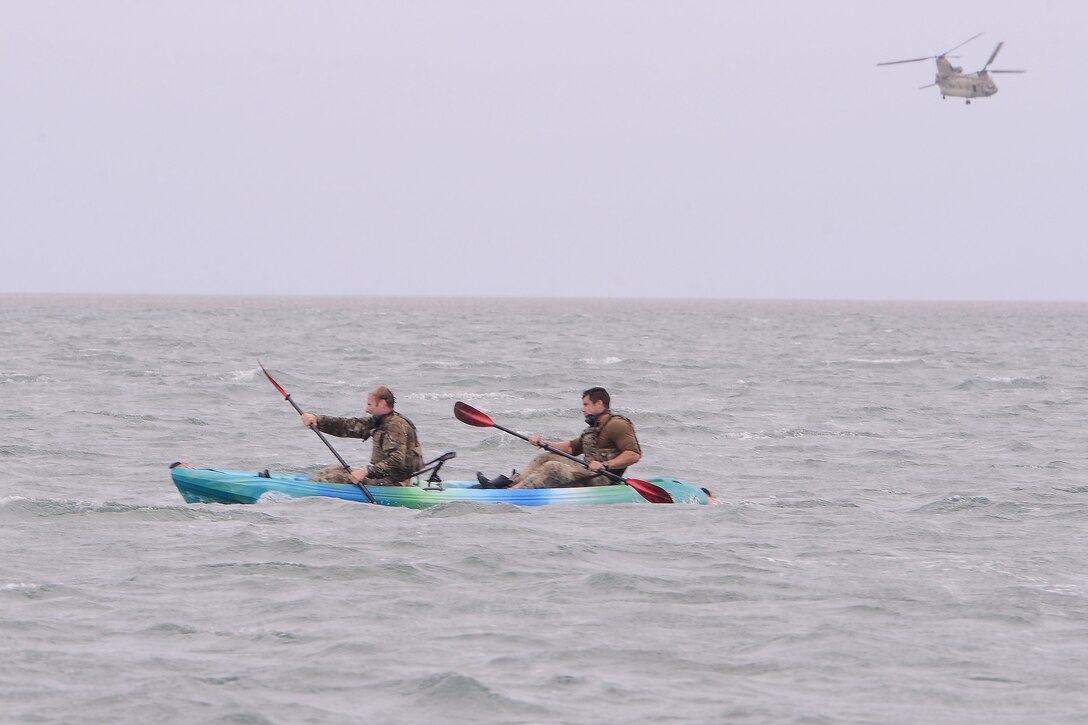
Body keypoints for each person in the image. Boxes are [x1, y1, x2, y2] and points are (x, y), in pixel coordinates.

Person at [477, 387, 641, 489]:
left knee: (553, 467)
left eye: (586, 405)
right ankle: (509, 483)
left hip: (604, 480)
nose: (582, 409)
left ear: (599, 404)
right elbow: (571, 448)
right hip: (588, 472)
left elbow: (633, 454)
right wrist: (544, 443)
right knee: (549, 456)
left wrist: (605, 465)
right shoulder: (593, 429)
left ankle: (512, 494)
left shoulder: (618, 424)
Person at [300, 385, 424, 487]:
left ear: (382, 403)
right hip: (380, 476)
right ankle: (308, 484)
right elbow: (347, 426)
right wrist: (317, 419)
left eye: (369, 404)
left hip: (394, 481)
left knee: (333, 477)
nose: (366, 409)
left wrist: (366, 472)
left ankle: (304, 489)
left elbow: (396, 462)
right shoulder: (379, 422)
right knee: (332, 469)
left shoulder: (396, 426)